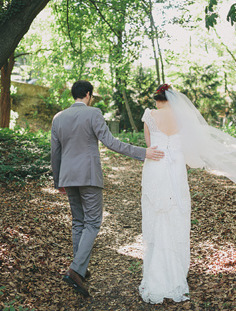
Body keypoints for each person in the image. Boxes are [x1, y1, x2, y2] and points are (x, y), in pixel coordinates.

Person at [138, 84, 236, 303]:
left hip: (156, 168)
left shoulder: (149, 115)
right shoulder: (182, 118)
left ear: (158, 100)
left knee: (157, 213)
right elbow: (191, 151)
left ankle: (156, 273)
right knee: (175, 215)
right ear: (172, 99)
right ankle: (175, 271)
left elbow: (149, 147)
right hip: (177, 169)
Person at [52, 80, 165, 297]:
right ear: (88, 95)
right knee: (93, 222)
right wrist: (143, 152)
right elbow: (111, 142)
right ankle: (76, 270)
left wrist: (58, 181)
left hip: (68, 178)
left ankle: (79, 270)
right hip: (89, 176)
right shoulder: (93, 113)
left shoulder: (59, 118)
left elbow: (55, 152)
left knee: (78, 222)